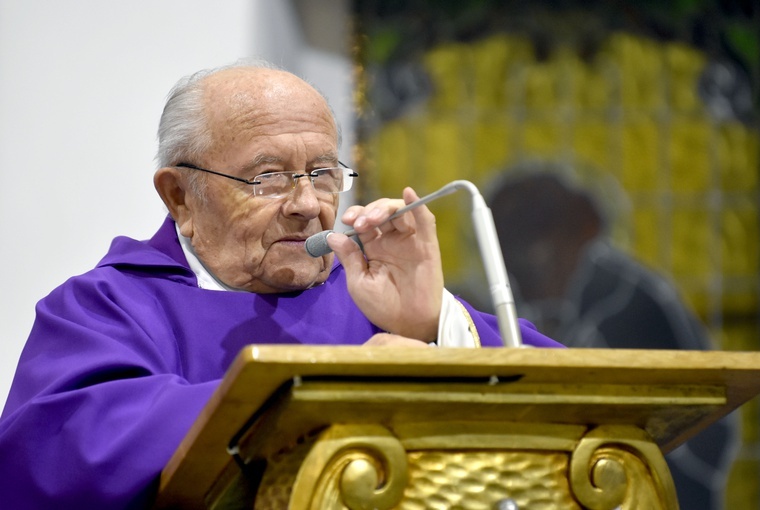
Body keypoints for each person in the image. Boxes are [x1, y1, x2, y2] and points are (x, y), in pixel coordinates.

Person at [0, 59, 561, 509]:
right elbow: (59, 452)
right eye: (266, 177)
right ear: (179, 196)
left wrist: (430, 325)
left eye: (322, 174)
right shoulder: (108, 306)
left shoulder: (378, 295)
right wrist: (332, 390)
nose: (308, 205)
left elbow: (590, 403)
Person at [486, 164, 740, 510]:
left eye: (521, 259)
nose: (518, 279)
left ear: (565, 239)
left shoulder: (621, 298)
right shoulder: (582, 294)